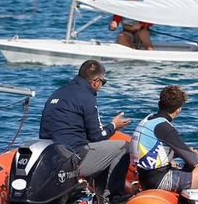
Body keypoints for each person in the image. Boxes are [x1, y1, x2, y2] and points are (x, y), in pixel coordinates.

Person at [39, 60, 131, 191]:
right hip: (73, 158)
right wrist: (113, 126)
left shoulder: (58, 93)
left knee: (98, 149)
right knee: (124, 147)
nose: (101, 86)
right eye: (103, 83)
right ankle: (111, 196)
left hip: (50, 156)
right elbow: (97, 136)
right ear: (95, 82)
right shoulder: (87, 97)